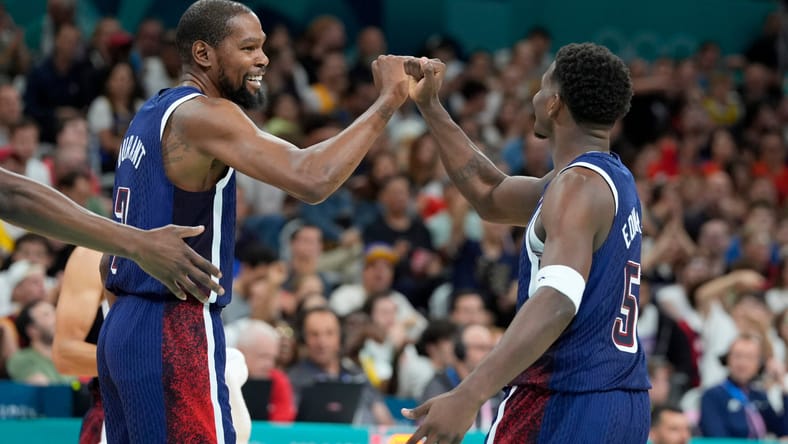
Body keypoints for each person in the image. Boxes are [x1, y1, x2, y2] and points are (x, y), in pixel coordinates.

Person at [97, 1, 409, 443]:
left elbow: (109, 259)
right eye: (248, 47)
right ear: (204, 54)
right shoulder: (207, 114)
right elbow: (311, 178)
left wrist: (130, 330)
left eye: (262, 47)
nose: (263, 59)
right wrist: (388, 101)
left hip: (124, 325)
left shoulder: (148, 116)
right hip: (173, 324)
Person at [402, 42, 650, 443]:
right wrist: (431, 107)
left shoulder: (577, 186)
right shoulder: (607, 179)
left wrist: (469, 394)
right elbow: (491, 194)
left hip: (564, 398)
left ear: (553, 104)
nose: (533, 97)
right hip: (622, 403)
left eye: (541, 87)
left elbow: (558, 298)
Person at [53, 247, 253, 444]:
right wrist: (157, 364)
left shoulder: (205, 250)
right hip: (122, 407)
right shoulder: (93, 254)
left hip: (196, 400)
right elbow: (66, 354)